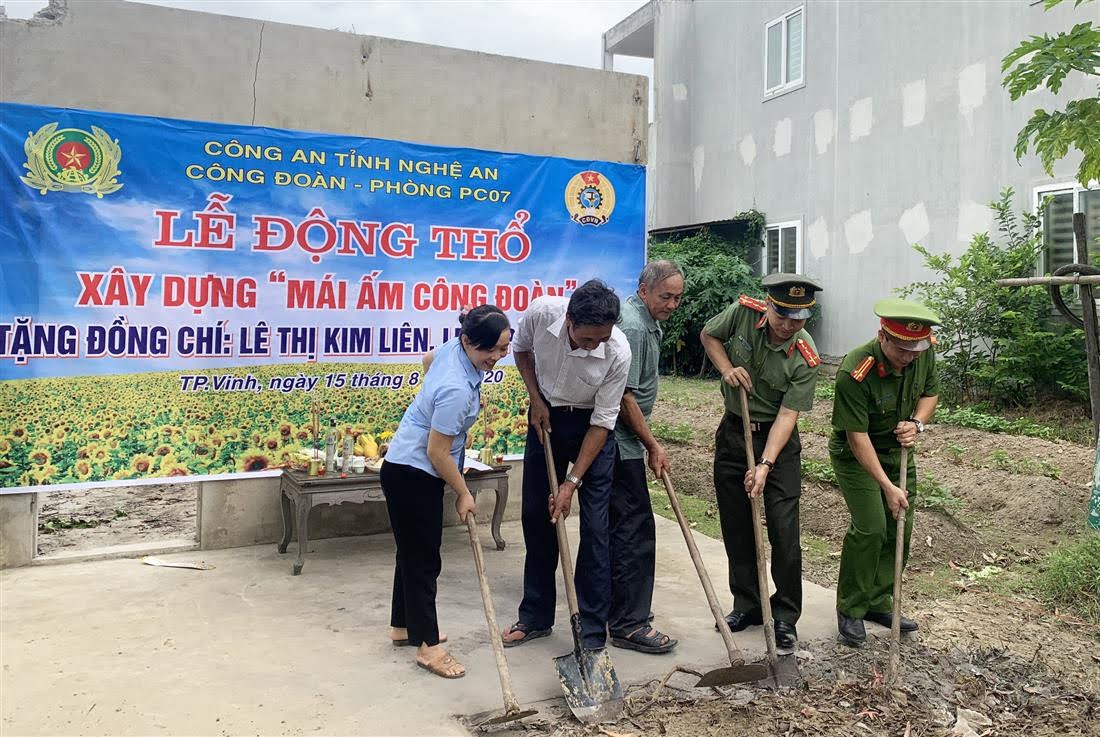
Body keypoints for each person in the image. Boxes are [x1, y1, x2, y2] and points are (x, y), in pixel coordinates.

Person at [381, 305, 512, 678]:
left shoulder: (454, 351)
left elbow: (427, 360)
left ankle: (404, 626)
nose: (499, 358)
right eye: (494, 350)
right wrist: (463, 492)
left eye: (504, 348)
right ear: (470, 341)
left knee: (411, 552)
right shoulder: (455, 387)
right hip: (413, 474)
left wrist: (433, 408)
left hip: (408, 466)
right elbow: (436, 452)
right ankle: (428, 648)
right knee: (424, 561)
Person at [501, 279, 631, 651]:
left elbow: (604, 421)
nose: (595, 346)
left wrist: (570, 483)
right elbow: (522, 351)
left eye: (601, 339)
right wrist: (535, 397)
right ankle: (536, 616)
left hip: (591, 429)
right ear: (570, 320)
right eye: (587, 339)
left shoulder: (618, 351)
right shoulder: (542, 313)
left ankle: (590, 630)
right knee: (537, 517)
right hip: (546, 417)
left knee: (595, 528)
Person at [699, 273, 822, 652]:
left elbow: (788, 416)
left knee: (784, 531)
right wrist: (726, 369)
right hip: (735, 432)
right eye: (782, 315)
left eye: (798, 319)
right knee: (737, 524)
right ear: (767, 305)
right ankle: (748, 604)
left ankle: (785, 615)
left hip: (777, 444)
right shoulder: (740, 314)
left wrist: (766, 464)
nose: (789, 326)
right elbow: (709, 335)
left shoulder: (805, 355)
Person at [829, 298, 940, 647]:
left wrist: (917, 424)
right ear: (882, 336)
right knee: (872, 526)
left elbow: (930, 394)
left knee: (898, 529)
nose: (909, 357)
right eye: (902, 349)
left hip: (898, 453)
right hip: (857, 455)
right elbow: (857, 437)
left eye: (915, 349)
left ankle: (878, 601)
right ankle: (850, 608)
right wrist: (887, 486)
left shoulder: (924, 352)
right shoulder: (855, 370)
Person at [607, 260, 684, 654]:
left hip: (621, 444)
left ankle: (612, 612)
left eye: (677, 297)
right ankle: (630, 623)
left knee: (617, 530)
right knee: (635, 534)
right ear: (643, 290)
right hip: (622, 446)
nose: (672, 304)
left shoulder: (643, 319)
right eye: (665, 296)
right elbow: (625, 398)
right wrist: (653, 445)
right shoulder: (634, 326)